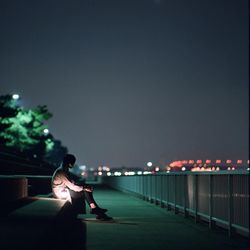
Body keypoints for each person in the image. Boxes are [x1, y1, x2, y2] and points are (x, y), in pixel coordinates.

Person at [51, 154, 112, 220]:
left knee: (85, 188)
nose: (73, 165)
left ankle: (95, 209)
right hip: (61, 193)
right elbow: (72, 186)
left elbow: (72, 183)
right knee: (84, 191)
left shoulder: (64, 170)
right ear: (69, 163)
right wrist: (84, 188)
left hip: (65, 190)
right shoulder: (61, 172)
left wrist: (84, 186)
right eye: (73, 163)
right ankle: (95, 209)